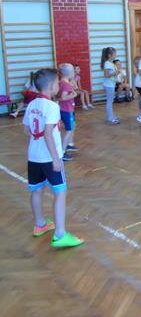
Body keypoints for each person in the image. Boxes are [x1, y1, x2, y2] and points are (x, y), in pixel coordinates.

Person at [23, 68, 84, 248]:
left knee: (36, 190)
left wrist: (37, 137)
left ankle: (40, 224)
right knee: (60, 192)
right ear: (51, 86)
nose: (59, 86)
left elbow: (26, 129)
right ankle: (60, 234)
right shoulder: (52, 106)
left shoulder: (32, 104)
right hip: (49, 158)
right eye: (57, 83)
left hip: (34, 156)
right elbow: (48, 133)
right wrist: (56, 158)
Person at [56, 63, 77, 161]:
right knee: (69, 130)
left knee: (71, 127)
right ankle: (62, 152)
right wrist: (74, 95)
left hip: (62, 109)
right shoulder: (67, 84)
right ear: (70, 73)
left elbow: (58, 96)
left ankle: (68, 144)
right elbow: (63, 97)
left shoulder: (60, 82)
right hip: (67, 110)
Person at [101, 47, 120, 124]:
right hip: (109, 85)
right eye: (114, 54)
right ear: (109, 55)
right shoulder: (107, 64)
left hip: (111, 85)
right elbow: (106, 75)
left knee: (110, 101)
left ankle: (111, 116)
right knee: (109, 102)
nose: (115, 56)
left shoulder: (110, 63)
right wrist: (115, 73)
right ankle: (110, 118)